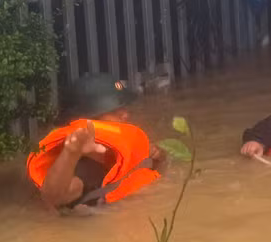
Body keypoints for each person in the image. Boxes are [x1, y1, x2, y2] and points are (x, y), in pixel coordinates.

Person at [26, 74, 166, 211]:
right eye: (114, 111)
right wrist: (71, 153)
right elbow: (54, 198)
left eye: (123, 108)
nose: (125, 114)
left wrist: (157, 155)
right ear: (88, 119)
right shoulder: (80, 169)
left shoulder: (119, 149)